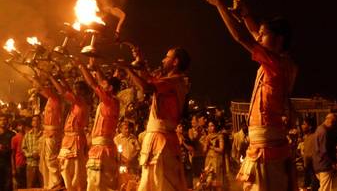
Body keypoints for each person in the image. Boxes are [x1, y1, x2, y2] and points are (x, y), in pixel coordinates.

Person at [204, 0, 298, 191]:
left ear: (279, 40)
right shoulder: (280, 62)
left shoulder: (276, 64)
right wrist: (245, 15)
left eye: (264, 35)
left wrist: (219, 4)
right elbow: (254, 33)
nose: (259, 37)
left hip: (266, 146)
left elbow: (242, 38)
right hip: (265, 144)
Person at [121, 47, 191, 191]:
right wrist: (140, 61)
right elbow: (149, 80)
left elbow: (146, 86)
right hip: (164, 139)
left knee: (158, 184)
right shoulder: (174, 81)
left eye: (167, 57)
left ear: (175, 62)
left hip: (161, 140)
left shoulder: (173, 81)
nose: (163, 60)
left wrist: (128, 69)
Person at [76, 58, 121, 191]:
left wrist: (81, 65)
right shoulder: (111, 101)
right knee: (102, 183)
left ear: (110, 88)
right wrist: (96, 68)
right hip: (102, 146)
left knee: (96, 185)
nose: (102, 85)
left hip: (101, 148)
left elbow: (93, 84)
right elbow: (100, 82)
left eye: (105, 85)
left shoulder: (110, 101)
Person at [48, 72, 92, 191]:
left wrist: (53, 77)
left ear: (83, 92)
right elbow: (67, 90)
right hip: (68, 138)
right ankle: (70, 188)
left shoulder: (81, 102)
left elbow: (64, 92)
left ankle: (75, 189)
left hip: (75, 139)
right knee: (64, 167)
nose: (75, 91)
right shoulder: (76, 103)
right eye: (75, 89)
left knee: (75, 169)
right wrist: (61, 78)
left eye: (78, 89)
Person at [312, 113, 337, 191]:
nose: (334, 125)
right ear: (329, 120)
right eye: (334, 122)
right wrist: (332, 163)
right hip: (324, 164)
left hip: (318, 163)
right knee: (325, 189)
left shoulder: (319, 129)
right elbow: (324, 151)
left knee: (323, 187)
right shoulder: (324, 132)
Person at [203, 120, 226, 191]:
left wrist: (212, 147)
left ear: (215, 126)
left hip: (217, 160)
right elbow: (204, 151)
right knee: (208, 181)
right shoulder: (207, 137)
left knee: (216, 181)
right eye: (209, 126)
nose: (210, 128)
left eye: (212, 125)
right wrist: (206, 142)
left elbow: (221, 149)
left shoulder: (219, 136)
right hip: (208, 160)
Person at [22, 115, 43, 188]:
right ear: (32, 123)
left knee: (43, 185)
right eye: (34, 120)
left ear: (40, 122)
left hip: (42, 165)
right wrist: (31, 154)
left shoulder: (44, 134)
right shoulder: (27, 135)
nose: (36, 122)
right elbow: (23, 149)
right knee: (30, 186)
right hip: (31, 164)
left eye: (38, 120)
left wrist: (40, 154)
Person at [0, 114, 15, 191]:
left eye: (4, 119)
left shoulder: (12, 134)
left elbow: (14, 151)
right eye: (1, 120)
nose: (3, 121)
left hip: (8, 163)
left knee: (8, 186)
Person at [11, 119, 27, 189]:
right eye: (20, 125)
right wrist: (13, 168)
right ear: (17, 127)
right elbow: (12, 154)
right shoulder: (14, 138)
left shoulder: (28, 136)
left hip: (28, 163)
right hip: (19, 164)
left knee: (26, 184)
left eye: (23, 125)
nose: (22, 127)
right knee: (19, 185)